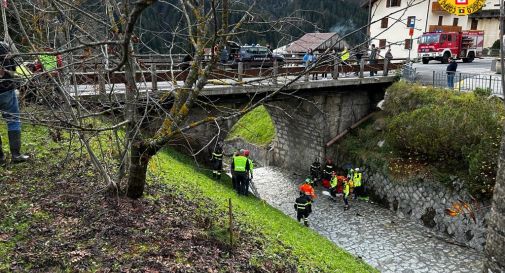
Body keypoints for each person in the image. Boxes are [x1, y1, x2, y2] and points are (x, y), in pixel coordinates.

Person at [0, 42, 29, 165]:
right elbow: (14, 69)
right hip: (6, 90)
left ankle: (0, 158)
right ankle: (16, 154)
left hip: (6, 89)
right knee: (13, 121)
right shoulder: (4, 47)